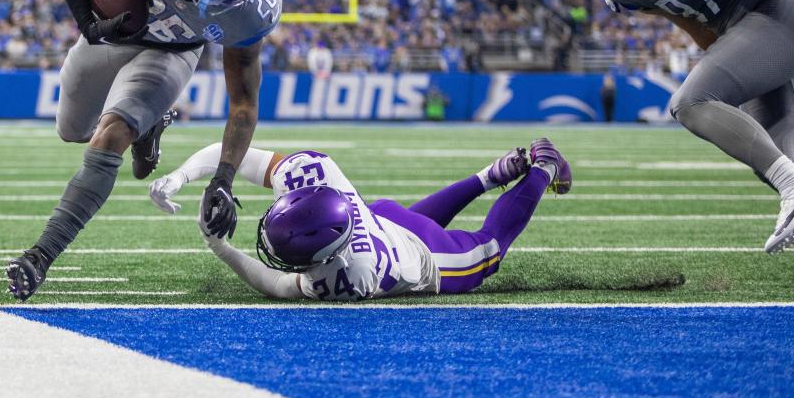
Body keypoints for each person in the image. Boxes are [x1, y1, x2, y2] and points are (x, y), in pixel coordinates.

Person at [6, 0, 284, 300]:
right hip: (121, 29)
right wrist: (90, 23)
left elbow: (243, 101)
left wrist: (223, 178)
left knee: (111, 134)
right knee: (72, 130)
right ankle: (150, 124)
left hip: (173, 52)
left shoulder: (252, 14)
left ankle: (40, 256)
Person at [563, 0, 794, 253]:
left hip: (779, 12)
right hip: (750, 39)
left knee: (689, 103)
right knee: (774, 161)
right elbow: (694, 25)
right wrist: (729, 63)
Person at [148, 140, 571, 300]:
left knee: (487, 251)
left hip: (414, 255)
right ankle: (491, 175)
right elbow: (228, 152)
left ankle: (544, 165)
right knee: (405, 224)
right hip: (380, 221)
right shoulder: (318, 175)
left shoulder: (350, 274)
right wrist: (184, 176)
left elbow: (276, 285)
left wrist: (219, 246)